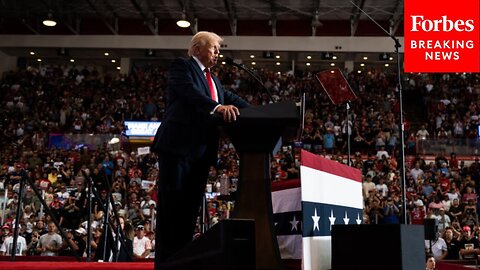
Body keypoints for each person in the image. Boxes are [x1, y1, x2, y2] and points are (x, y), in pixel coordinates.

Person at [150, 31, 249, 265]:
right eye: (214, 48)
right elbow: (189, 94)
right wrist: (217, 108)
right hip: (178, 147)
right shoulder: (182, 67)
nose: (218, 53)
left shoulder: (214, 80)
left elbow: (231, 98)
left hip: (201, 152)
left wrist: (265, 112)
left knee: (189, 211)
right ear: (197, 49)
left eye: (218, 49)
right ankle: (166, 263)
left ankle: (180, 260)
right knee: (172, 209)